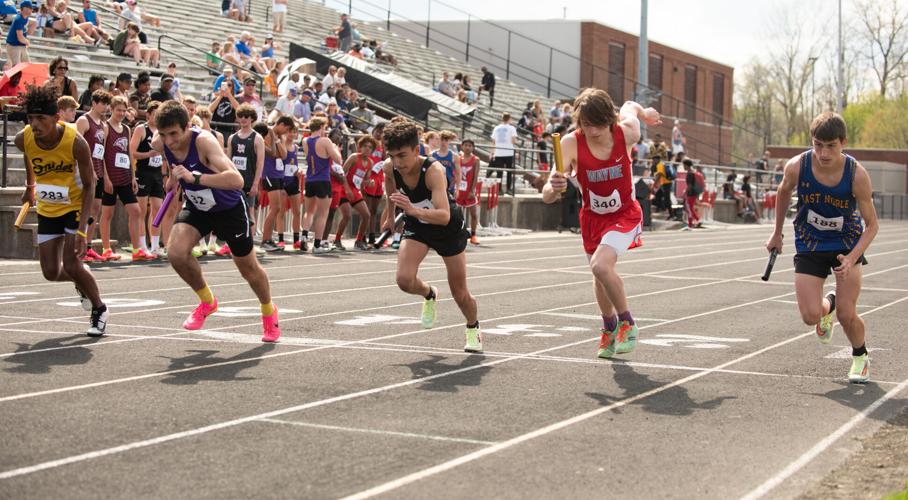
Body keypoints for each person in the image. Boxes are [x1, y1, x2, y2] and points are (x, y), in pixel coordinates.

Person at [542, 88, 661, 359]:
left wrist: (646, 114)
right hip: (592, 219)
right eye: (585, 124)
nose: (591, 131)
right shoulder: (570, 143)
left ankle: (627, 323)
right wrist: (554, 185)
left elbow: (630, 103)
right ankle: (608, 326)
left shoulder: (628, 132)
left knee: (600, 265)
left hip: (624, 214)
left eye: (596, 124)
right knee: (599, 274)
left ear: (610, 119)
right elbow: (548, 195)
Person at [151, 101, 280, 341]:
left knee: (248, 269)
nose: (169, 141)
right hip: (198, 207)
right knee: (176, 253)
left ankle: (268, 311)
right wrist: (173, 178)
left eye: (174, 134)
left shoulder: (203, 141)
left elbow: (236, 180)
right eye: (164, 134)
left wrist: (195, 178)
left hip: (228, 208)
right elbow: (172, 163)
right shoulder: (159, 143)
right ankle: (207, 302)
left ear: (187, 126)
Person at [765, 112, 879, 383]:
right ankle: (827, 305)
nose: (824, 152)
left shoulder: (857, 175)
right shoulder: (797, 166)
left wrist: (852, 258)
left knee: (847, 314)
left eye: (831, 146)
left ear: (843, 143)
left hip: (846, 245)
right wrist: (776, 233)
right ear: (811, 142)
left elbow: (872, 226)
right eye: (818, 145)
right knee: (810, 316)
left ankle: (860, 356)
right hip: (810, 242)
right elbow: (783, 192)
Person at [379, 119, 480, 352]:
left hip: (447, 228)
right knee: (404, 280)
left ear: (416, 150)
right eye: (392, 156)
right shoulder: (390, 167)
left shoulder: (434, 171)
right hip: (418, 225)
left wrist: (412, 210)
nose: (397, 162)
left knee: (460, 293)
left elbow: (444, 215)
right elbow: (390, 190)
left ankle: (473, 328)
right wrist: (390, 214)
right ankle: (429, 293)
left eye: (402, 156)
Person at [17, 85, 108, 336]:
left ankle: (99, 309)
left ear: (56, 118)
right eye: (30, 119)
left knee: (70, 263)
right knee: (50, 272)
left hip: (75, 205)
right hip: (49, 207)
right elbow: (27, 151)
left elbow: (91, 184)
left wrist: (82, 230)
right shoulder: (23, 137)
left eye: (40, 119)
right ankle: (83, 284)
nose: (34, 124)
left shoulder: (75, 142)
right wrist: (30, 185)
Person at [100, 96, 155, 261]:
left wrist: (132, 176)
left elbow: (128, 154)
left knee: (136, 211)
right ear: (111, 109)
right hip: (110, 176)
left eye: (124, 110)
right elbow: (101, 154)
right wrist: (106, 178)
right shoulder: (106, 127)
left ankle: (137, 249)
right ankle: (106, 248)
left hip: (124, 176)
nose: (122, 113)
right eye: (119, 110)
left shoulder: (126, 129)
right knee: (107, 213)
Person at [129, 99, 167, 257]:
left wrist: (165, 173)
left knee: (158, 209)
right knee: (142, 210)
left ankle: (155, 245)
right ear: (149, 115)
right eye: (155, 114)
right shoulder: (141, 129)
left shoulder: (162, 131)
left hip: (157, 174)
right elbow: (131, 152)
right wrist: (148, 154)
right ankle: (142, 245)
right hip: (143, 172)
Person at [302, 117, 343, 254]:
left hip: (310, 179)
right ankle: (317, 245)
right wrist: (335, 148)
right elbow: (338, 159)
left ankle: (304, 236)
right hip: (323, 180)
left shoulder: (305, 141)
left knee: (309, 212)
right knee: (323, 214)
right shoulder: (325, 141)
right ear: (321, 127)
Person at [227, 104, 265, 249]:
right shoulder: (232, 138)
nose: (243, 119)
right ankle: (233, 242)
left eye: (246, 117)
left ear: (252, 119)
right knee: (232, 212)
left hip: (249, 181)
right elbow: (228, 160)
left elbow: (260, 163)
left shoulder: (257, 138)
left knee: (250, 212)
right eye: (241, 116)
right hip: (234, 181)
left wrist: (256, 184)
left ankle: (250, 243)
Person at [259, 117, 294, 252]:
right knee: (274, 208)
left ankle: (268, 239)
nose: (287, 132)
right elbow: (274, 154)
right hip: (269, 174)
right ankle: (265, 240)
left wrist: (278, 139)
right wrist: (275, 139)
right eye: (286, 128)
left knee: (278, 208)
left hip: (278, 174)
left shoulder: (279, 137)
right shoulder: (267, 134)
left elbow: (284, 155)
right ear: (280, 124)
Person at [337, 136, 375, 250]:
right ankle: (337, 240)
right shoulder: (354, 157)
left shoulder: (370, 162)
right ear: (360, 147)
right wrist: (347, 189)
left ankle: (359, 240)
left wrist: (369, 182)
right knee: (347, 215)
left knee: (366, 215)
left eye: (370, 147)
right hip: (344, 189)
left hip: (355, 190)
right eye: (365, 146)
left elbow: (364, 181)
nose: (367, 149)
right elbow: (341, 173)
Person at [456, 138, 480, 245]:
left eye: (470, 145)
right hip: (459, 190)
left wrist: (472, 190)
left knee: (473, 214)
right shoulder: (458, 158)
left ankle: (473, 235)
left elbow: (475, 176)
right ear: (462, 146)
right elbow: (455, 174)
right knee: (457, 215)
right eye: (465, 145)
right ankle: (458, 234)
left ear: (473, 148)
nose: (467, 147)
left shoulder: (475, 160)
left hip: (469, 191)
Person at [489, 112, 517, 194]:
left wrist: (492, 153)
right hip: (508, 152)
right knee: (509, 172)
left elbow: (493, 142)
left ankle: (499, 190)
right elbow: (513, 141)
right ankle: (508, 189)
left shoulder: (496, 128)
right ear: (509, 119)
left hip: (498, 152)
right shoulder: (512, 128)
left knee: (499, 172)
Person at [431, 130, 460, 196]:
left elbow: (458, 173)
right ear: (439, 140)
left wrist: (457, 189)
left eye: (446, 140)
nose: (443, 142)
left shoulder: (454, 156)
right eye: (442, 140)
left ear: (449, 141)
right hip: (435, 187)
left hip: (449, 188)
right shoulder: (432, 155)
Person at [5, 1, 32, 66]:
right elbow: (20, 37)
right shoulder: (18, 19)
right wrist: (27, 42)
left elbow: (34, 23)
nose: (31, 10)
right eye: (29, 8)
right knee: (16, 69)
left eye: (31, 8)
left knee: (27, 66)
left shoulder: (25, 18)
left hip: (21, 45)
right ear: (23, 9)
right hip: (14, 46)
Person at [683, 159, 704, 229]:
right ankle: (698, 220)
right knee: (690, 208)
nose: (683, 167)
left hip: (690, 193)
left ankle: (690, 225)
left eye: (684, 165)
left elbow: (690, 186)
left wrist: (685, 193)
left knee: (689, 209)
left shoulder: (689, 173)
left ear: (686, 165)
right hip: (694, 193)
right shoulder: (694, 172)